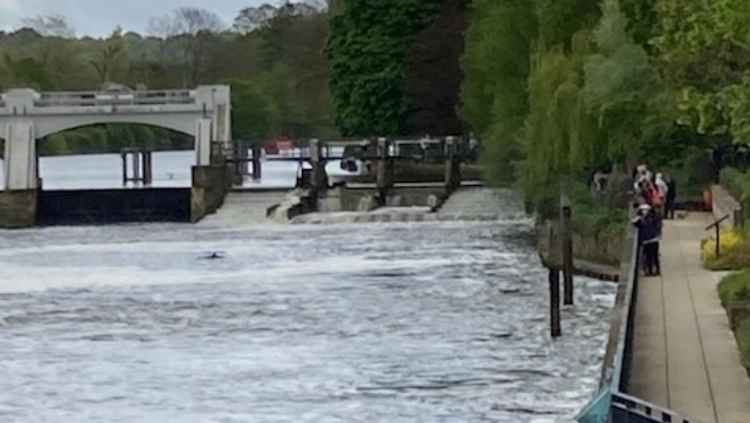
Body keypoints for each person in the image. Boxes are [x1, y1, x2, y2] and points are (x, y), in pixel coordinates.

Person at [633, 204, 662, 276]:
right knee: (648, 256)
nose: (644, 211)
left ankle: (656, 270)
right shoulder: (641, 219)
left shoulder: (653, 217)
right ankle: (649, 271)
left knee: (654, 256)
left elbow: (657, 225)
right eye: (643, 210)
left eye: (646, 210)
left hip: (653, 239)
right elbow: (635, 223)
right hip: (646, 241)